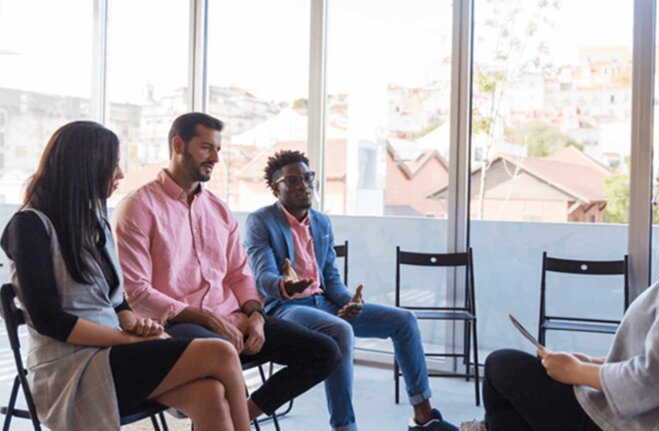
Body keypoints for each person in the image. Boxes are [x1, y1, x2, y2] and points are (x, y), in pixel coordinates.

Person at [480, 132, 659, 431]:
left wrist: (577, 371)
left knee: (501, 366)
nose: (655, 199)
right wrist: (593, 364)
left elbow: (654, 380)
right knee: (509, 416)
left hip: (643, 424)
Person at [1, 121, 252, 431]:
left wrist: (138, 326)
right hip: (69, 370)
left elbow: (118, 302)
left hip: (111, 355)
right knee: (221, 352)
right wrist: (126, 338)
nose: (120, 173)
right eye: (114, 163)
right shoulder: (29, 226)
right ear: (87, 165)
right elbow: (49, 320)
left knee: (209, 393)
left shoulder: (96, 223)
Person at [113, 113, 341, 422]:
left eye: (219, 149)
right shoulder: (139, 207)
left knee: (325, 352)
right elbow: (137, 292)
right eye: (207, 147)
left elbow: (239, 274)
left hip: (233, 319)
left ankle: (241, 417)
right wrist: (207, 318)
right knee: (220, 357)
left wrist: (256, 315)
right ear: (178, 145)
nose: (216, 158)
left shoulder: (219, 209)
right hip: (175, 324)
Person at [244, 150, 459, 431]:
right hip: (288, 309)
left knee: (404, 321)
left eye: (308, 177)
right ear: (276, 187)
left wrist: (351, 302)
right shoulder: (261, 221)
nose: (303, 185)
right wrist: (285, 285)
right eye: (293, 179)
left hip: (324, 303)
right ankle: (345, 426)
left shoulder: (321, 222)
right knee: (339, 331)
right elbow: (263, 278)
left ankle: (424, 418)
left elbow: (331, 278)